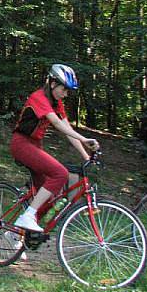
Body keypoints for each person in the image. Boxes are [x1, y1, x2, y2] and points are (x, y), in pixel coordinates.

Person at [11, 63, 100, 233]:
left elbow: (69, 131)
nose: (66, 94)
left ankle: (13, 234)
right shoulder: (39, 98)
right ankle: (27, 216)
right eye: (64, 89)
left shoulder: (56, 103)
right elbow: (57, 124)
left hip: (35, 145)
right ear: (53, 83)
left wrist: (85, 155)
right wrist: (85, 139)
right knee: (60, 173)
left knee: (46, 199)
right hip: (22, 144)